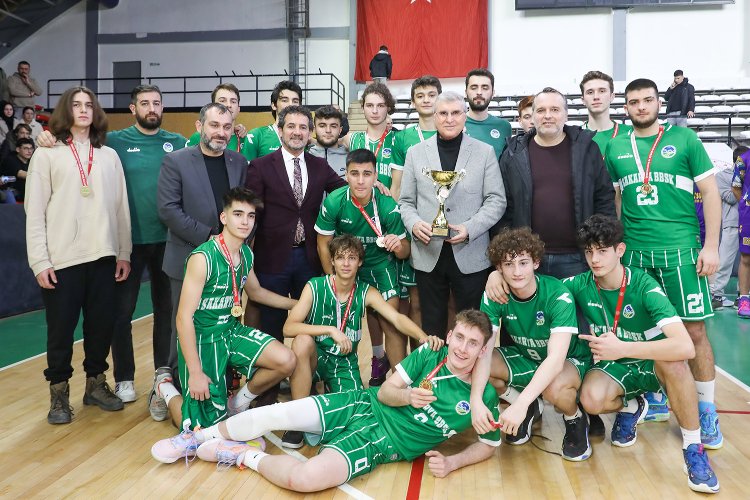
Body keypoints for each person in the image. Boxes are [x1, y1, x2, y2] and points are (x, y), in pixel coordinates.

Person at [151, 310, 501, 494]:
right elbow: (385, 392)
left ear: (483, 350)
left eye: (473, 343)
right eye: (459, 337)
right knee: (276, 414)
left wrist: (453, 463)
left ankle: (242, 454)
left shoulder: (484, 398)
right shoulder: (430, 354)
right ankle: (197, 438)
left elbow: (489, 444)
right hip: (364, 404)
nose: (462, 348)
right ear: (450, 334)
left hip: (382, 443)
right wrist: (408, 395)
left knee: (305, 480)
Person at [604, 78, 723, 448]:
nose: (641, 106)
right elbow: (617, 200)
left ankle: (706, 409)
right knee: (644, 332)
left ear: (659, 102)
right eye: (634, 101)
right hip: (636, 255)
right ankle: (653, 396)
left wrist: (711, 246)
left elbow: (711, 193)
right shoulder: (616, 145)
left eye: (647, 100)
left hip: (682, 252)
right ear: (625, 107)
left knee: (694, 332)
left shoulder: (684, 139)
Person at [566, 214, 719, 494]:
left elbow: (685, 346)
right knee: (590, 400)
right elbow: (540, 289)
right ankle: (632, 406)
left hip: (651, 364)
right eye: (589, 252)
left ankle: (693, 449)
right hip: (617, 367)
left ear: (620, 250)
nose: (595, 259)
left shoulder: (644, 286)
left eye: (602, 251)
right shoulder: (580, 283)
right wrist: (496, 276)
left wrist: (622, 348)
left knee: (676, 364)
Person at [148, 187, 297, 431]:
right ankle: (164, 385)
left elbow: (257, 293)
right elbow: (183, 318)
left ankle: (237, 404)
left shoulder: (246, 253)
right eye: (238, 214)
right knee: (196, 427)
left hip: (231, 330)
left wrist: (297, 304)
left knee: (286, 360)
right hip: (204, 338)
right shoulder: (202, 258)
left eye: (250, 216)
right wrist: (195, 373)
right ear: (224, 218)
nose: (245, 221)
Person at [24, 86, 131, 424]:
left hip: (104, 257)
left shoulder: (109, 156)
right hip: (62, 260)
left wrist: (124, 252)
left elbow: (121, 210)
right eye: (76, 105)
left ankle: (96, 384)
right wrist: (40, 261)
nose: (84, 110)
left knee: (101, 327)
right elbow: (34, 213)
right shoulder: (46, 154)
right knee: (60, 331)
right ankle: (59, 392)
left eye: (89, 105)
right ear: (65, 111)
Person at [281, 234, 442, 448]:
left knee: (356, 418)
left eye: (352, 258)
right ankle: (297, 421)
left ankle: (326, 400)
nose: (346, 263)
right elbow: (289, 327)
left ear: (360, 262)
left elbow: (396, 318)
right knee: (302, 341)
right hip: (316, 359)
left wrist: (423, 336)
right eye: (340, 257)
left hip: (344, 363)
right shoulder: (314, 286)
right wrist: (330, 330)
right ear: (332, 261)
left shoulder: (367, 292)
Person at [246, 105, 346, 404]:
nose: (297, 132)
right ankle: (266, 397)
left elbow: (344, 191)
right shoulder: (260, 166)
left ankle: (309, 388)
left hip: (309, 258)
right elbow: (250, 212)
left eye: (303, 127)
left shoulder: (319, 166)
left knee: (310, 326)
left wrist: (371, 185)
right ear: (280, 130)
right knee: (270, 327)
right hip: (271, 258)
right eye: (291, 126)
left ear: (310, 133)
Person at [156, 102, 247, 411]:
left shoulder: (238, 162)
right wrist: (210, 239)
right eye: (214, 125)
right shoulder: (176, 161)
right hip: (187, 258)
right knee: (182, 324)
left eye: (226, 127)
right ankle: (175, 388)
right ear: (199, 127)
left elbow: (242, 207)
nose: (220, 132)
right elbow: (168, 209)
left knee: (222, 322)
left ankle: (220, 383)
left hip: (228, 261)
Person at [471, 228, 592, 461]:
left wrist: (518, 404)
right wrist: (475, 400)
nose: (517, 272)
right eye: (509, 264)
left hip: (568, 361)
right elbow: (483, 353)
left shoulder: (557, 295)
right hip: (527, 357)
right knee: (474, 364)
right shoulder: (496, 294)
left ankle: (574, 418)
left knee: (553, 386)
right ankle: (529, 407)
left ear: (536, 263)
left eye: (523, 263)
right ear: (499, 268)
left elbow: (555, 361)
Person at [400, 91, 505, 339]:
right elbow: (405, 202)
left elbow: (496, 200)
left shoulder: (485, 152)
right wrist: (414, 224)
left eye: (456, 113)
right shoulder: (415, 152)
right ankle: (435, 365)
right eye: (443, 113)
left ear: (465, 115)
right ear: (434, 116)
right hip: (428, 252)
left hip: (471, 252)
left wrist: (471, 228)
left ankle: (470, 366)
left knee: (472, 326)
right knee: (432, 326)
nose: (449, 119)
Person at [498, 87, 615, 277]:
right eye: (541, 110)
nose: (548, 116)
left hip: (578, 257)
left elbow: (604, 197)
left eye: (555, 110)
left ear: (566, 115)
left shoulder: (587, 149)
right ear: (533, 116)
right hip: (527, 258)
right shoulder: (513, 154)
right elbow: (503, 207)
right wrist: (507, 254)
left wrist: (603, 244)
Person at [315, 149, 411, 375]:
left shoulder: (387, 205)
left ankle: (400, 382)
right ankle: (349, 370)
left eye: (367, 174)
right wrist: (333, 280)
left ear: (376, 176)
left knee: (390, 323)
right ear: (346, 175)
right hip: (347, 266)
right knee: (342, 323)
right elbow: (322, 244)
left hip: (380, 265)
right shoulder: (334, 201)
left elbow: (405, 252)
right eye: (354, 173)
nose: (360, 180)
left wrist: (398, 246)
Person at [391, 75, 442, 199]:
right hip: (414, 207)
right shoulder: (402, 137)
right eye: (420, 96)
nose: (426, 100)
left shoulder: (452, 134)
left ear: (440, 99)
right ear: (413, 103)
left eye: (431, 95)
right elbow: (397, 187)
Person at [343, 82, 397, 188]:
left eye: (380, 105)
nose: (375, 111)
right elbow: (327, 141)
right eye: (369, 105)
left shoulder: (399, 140)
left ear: (388, 108)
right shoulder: (351, 138)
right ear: (363, 108)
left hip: (389, 198)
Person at [708, 146, 742, 309]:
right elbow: (730, 197)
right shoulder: (722, 176)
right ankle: (717, 296)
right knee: (724, 262)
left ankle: (742, 296)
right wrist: (740, 180)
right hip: (732, 224)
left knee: (746, 263)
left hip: (747, 224)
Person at [186, 83, 252, 160]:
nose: (228, 105)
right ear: (212, 106)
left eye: (233, 101)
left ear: (238, 109)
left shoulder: (246, 138)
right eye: (222, 100)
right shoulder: (199, 136)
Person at [245, 80, 303, 161]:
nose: (290, 105)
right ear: (274, 105)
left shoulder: (303, 138)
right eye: (285, 100)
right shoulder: (256, 136)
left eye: (295, 101)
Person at [580, 70, 632, 155]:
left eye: (602, 91)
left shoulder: (630, 132)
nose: (596, 97)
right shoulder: (574, 136)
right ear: (583, 100)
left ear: (612, 97)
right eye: (590, 92)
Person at [464, 68, 512, 159]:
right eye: (474, 88)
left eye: (485, 88)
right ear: (466, 92)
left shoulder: (504, 127)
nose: (479, 92)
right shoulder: (456, 125)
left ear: (493, 93)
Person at [732, 146, 750, 317]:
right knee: (746, 257)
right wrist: (746, 204)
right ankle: (744, 299)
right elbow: (736, 187)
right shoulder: (743, 159)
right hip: (748, 216)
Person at [307, 104, 347, 178]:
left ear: (340, 130)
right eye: (322, 126)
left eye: (333, 126)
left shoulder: (350, 157)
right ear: (314, 129)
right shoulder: (305, 155)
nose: (328, 130)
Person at [0, 137, 33, 201]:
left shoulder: (32, 161)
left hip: (25, 192)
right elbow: (21, 174)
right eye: (26, 148)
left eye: (31, 148)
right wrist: (40, 176)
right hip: (9, 190)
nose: (29, 151)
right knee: (9, 194)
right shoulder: (10, 159)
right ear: (18, 149)